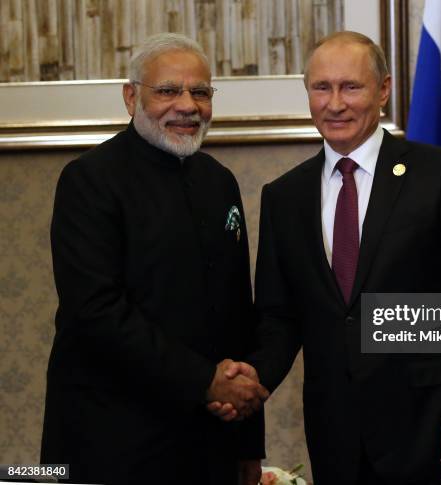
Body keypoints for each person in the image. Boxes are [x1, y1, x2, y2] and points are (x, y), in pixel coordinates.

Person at [210, 31, 441, 484]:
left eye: (351, 87)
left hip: (431, 430)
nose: (335, 103)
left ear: (383, 90)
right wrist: (254, 378)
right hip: (336, 435)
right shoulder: (285, 196)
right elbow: (279, 316)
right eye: (321, 87)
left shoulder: (439, 175)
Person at [41, 33, 268, 485]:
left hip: (209, 438)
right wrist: (206, 379)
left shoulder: (218, 181)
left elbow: (236, 315)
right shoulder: (89, 181)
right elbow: (97, 312)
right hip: (113, 436)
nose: (187, 105)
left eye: (200, 92)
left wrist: (247, 444)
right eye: (167, 90)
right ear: (131, 97)